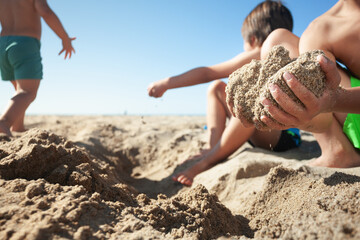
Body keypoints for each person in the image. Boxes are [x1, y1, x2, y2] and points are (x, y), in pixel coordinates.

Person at [148, 1, 301, 186]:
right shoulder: (288, 52)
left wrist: (166, 83)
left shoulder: (258, 53)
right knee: (217, 88)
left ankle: (208, 160)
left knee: (246, 102)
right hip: (264, 130)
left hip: (282, 138)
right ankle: (214, 148)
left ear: (252, 39)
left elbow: (207, 72)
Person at [239, 0, 360, 168]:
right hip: (353, 116)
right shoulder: (322, 29)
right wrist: (304, 113)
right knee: (279, 40)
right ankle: (335, 148)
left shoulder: (324, 28)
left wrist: (334, 100)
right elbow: (323, 118)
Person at [0, 0, 75, 136]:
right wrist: (64, 37)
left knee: (19, 90)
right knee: (28, 91)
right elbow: (45, 12)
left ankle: (17, 127)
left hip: (3, 44)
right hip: (24, 44)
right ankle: (4, 122)